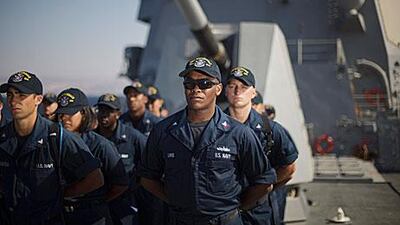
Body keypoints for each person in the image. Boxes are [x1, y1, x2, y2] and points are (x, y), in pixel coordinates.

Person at [138, 56, 276, 225]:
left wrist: (235, 209)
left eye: (205, 84)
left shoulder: (239, 134)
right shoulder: (163, 131)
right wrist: (175, 201)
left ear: (218, 89)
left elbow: (264, 182)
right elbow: (147, 178)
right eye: (189, 84)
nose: (196, 89)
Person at [0, 71, 104, 225]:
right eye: (10, 95)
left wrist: (60, 196)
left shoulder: (57, 137)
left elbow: (95, 179)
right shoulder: (3, 137)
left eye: (21, 95)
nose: (14, 101)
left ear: (38, 99)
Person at [224, 66, 298, 225]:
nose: (238, 91)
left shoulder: (271, 130)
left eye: (244, 87)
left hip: (258, 212)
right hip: (223, 210)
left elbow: (289, 168)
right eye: (232, 86)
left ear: (253, 93)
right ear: (225, 91)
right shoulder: (212, 127)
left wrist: (263, 187)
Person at [56, 88, 129, 225]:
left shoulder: (101, 145)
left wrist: (97, 202)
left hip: (91, 216)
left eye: (70, 114)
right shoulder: (55, 143)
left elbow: (120, 184)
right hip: (62, 215)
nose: (65, 118)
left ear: (83, 113)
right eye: (62, 114)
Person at [95, 93, 147, 225]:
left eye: (109, 111)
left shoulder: (134, 137)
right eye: (101, 110)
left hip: (126, 202)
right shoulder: (91, 138)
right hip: (98, 203)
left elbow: (150, 164)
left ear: (118, 114)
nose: (104, 115)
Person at [120, 80, 166, 225]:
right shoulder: (120, 123)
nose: (132, 99)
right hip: (126, 187)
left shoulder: (157, 124)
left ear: (145, 99)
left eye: (136, 95)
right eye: (129, 96)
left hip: (150, 187)